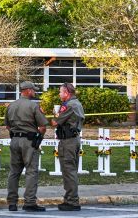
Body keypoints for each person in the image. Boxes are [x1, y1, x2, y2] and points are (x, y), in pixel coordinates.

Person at [5, 81, 48, 212]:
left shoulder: (11, 106)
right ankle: (29, 202)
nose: (34, 92)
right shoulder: (33, 106)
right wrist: (39, 137)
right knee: (31, 171)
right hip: (29, 141)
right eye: (33, 90)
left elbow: (7, 126)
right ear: (28, 90)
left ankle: (12, 202)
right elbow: (43, 126)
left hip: (15, 140)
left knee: (14, 172)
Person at [51, 82, 85, 211]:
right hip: (74, 139)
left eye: (60, 92)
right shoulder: (77, 103)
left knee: (68, 171)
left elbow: (55, 122)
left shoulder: (68, 105)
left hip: (68, 141)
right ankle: (70, 198)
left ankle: (72, 201)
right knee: (71, 171)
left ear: (66, 93)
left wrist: (56, 113)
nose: (59, 94)